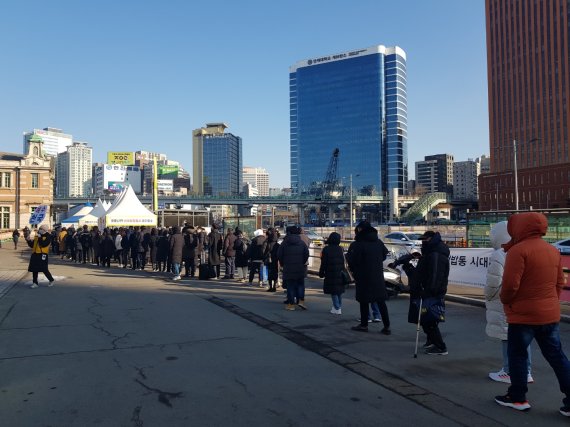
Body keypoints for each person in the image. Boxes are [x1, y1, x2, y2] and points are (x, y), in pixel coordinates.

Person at [494, 212, 570, 416]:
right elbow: (559, 283)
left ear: (520, 228)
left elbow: (510, 286)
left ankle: (517, 397)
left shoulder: (518, 251)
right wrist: (550, 302)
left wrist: (506, 301)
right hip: (549, 314)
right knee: (557, 356)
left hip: (523, 315)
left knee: (517, 355)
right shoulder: (552, 250)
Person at [485, 221, 534, 384]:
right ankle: (526, 371)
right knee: (523, 338)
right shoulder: (527, 250)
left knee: (507, 336)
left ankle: (508, 370)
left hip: (504, 302)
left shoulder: (500, 254)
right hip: (526, 301)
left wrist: (489, 296)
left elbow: (493, 283)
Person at [346, 221, 391, 334]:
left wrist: (355, 269)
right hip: (377, 276)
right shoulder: (378, 242)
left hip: (363, 276)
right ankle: (387, 327)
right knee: (381, 301)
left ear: (360, 230)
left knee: (364, 301)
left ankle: (364, 325)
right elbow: (384, 255)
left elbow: (352, 260)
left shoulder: (357, 244)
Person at [414, 230, 450, 355]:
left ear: (430, 239)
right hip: (431, 290)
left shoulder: (436, 254)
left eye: (424, 240)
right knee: (428, 320)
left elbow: (435, 275)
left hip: (432, 291)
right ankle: (433, 342)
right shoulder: (432, 251)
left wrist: (429, 290)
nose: (422, 242)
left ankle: (440, 346)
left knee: (429, 320)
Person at [277, 226, 309, 310]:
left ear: (289, 233)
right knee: (300, 284)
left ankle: (291, 304)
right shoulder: (301, 243)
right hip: (300, 267)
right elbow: (306, 254)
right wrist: (302, 262)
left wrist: (283, 263)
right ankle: (301, 301)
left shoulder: (284, 243)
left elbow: (279, 254)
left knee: (290, 285)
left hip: (288, 267)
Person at [319, 231, 346, 314]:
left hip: (330, 272)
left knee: (333, 290)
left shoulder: (326, 249)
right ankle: (338, 307)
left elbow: (323, 262)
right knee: (339, 291)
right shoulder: (340, 248)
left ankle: (337, 307)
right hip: (340, 271)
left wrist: (321, 272)